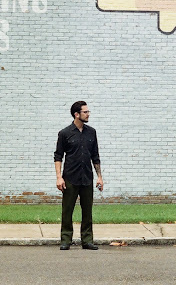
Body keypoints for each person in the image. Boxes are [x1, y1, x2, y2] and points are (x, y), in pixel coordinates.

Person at [54, 101, 104, 250]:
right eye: (85, 112)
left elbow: (95, 156)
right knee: (67, 210)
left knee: (87, 210)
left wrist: (99, 177)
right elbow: (58, 156)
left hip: (87, 177)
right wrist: (59, 177)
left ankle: (87, 240)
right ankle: (65, 240)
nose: (88, 114)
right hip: (70, 177)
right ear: (77, 114)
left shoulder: (91, 132)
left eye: (88, 112)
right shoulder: (64, 133)